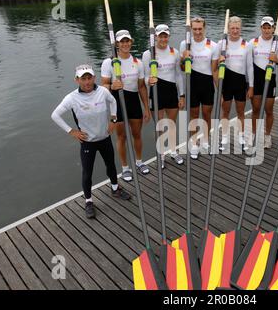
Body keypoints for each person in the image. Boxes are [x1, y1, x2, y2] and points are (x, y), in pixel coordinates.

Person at [51, 64, 131, 219]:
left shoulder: (103, 91)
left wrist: (114, 119)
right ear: (77, 80)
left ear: (94, 78)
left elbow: (113, 101)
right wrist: (72, 131)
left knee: (111, 165)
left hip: (105, 138)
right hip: (88, 142)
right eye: (83, 79)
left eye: (89, 78)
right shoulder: (71, 98)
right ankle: (88, 201)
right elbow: (55, 115)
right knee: (87, 173)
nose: (87, 82)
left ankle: (115, 189)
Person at [101, 30, 151, 180]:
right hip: (117, 102)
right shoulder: (109, 62)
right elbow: (103, 85)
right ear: (116, 44)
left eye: (127, 41)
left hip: (134, 101)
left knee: (137, 135)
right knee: (121, 137)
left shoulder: (138, 63)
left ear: (131, 42)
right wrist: (111, 86)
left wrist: (147, 108)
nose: (125, 44)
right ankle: (125, 167)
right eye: (122, 41)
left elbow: (142, 87)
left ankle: (139, 162)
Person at [142, 24, 185, 168]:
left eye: (165, 36)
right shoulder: (149, 54)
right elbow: (145, 78)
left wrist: (182, 95)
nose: (163, 38)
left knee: (171, 124)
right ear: (155, 37)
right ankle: (161, 154)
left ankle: (173, 151)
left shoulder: (175, 52)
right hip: (156, 92)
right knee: (159, 126)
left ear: (168, 37)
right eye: (160, 36)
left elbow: (179, 75)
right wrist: (149, 81)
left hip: (172, 92)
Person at [180, 16, 219, 160]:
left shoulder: (213, 45)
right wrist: (184, 58)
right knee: (194, 116)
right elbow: (182, 68)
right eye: (194, 29)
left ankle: (206, 141)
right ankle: (194, 143)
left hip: (207, 84)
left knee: (207, 115)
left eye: (199, 29)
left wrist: (219, 91)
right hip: (192, 84)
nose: (197, 32)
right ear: (191, 29)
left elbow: (214, 71)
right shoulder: (185, 44)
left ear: (204, 28)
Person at [247, 16, 278, 149]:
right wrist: (250, 85)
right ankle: (253, 134)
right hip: (256, 79)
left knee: (269, 110)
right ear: (261, 28)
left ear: (273, 29)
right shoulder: (253, 42)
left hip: (270, 78)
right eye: (264, 27)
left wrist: (277, 60)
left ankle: (267, 136)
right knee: (256, 109)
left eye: (269, 28)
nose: (267, 30)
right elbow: (249, 66)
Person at [217, 16, 250, 151]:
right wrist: (219, 61)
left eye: (237, 28)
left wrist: (251, 86)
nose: (235, 31)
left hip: (241, 83)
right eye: (232, 28)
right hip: (226, 83)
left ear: (240, 29)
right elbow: (214, 66)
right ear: (228, 29)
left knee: (240, 112)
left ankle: (241, 137)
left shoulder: (246, 45)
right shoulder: (221, 44)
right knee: (225, 111)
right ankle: (224, 138)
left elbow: (250, 68)